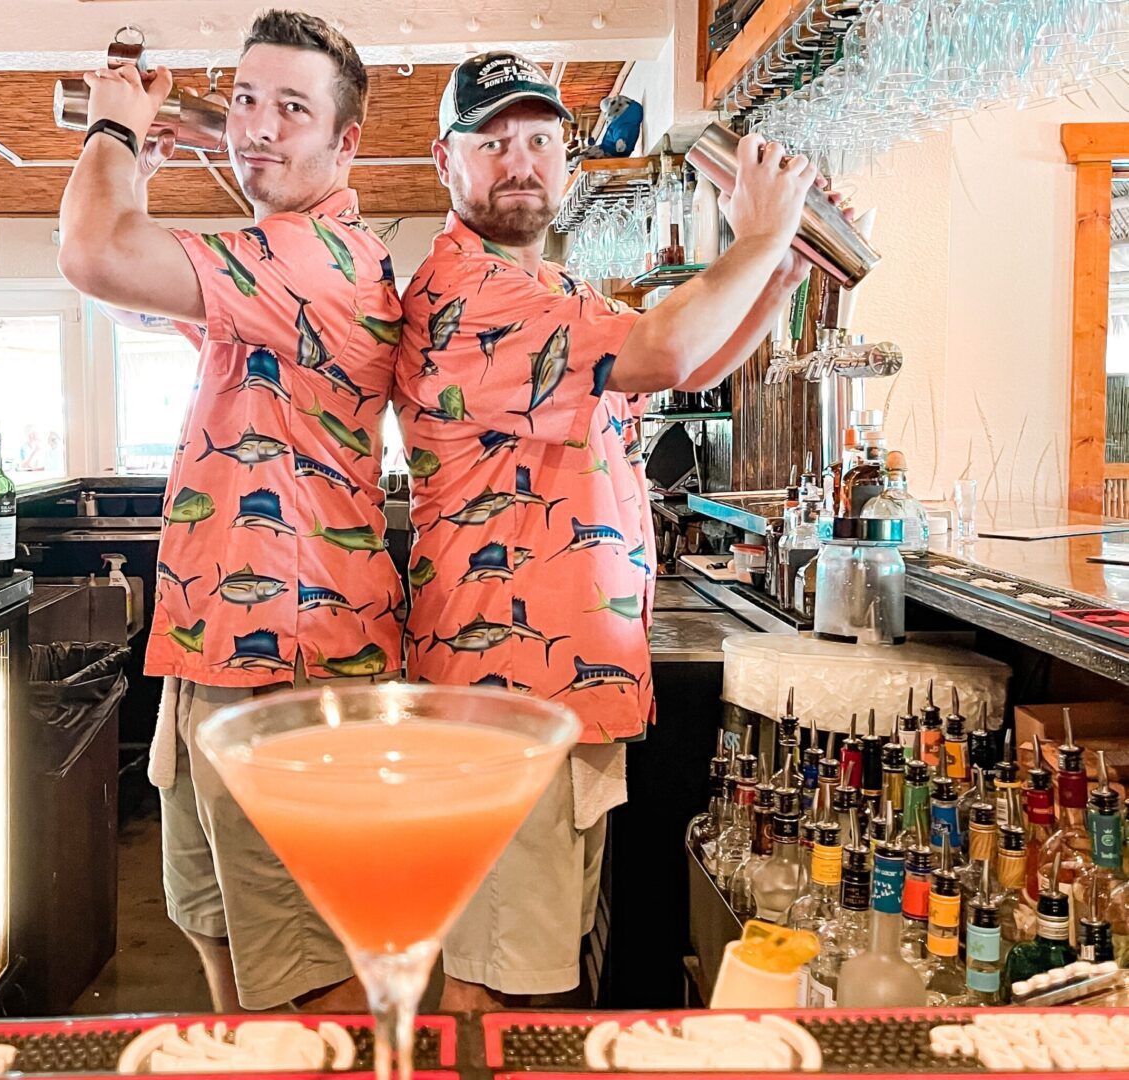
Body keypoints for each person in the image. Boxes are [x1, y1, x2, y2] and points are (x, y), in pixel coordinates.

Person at [396, 52, 835, 1009]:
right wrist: (756, 237)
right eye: (493, 140)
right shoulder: (468, 295)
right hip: (503, 700)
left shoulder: (558, 294)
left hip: (566, 685)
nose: (520, 160)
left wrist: (783, 261)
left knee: (531, 969)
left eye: (541, 139)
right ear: (445, 160)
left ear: (568, 160)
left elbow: (691, 357)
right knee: (506, 989)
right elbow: (670, 344)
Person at [58, 10, 403, 1013]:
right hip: (215, 649)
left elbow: (93, 255)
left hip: (286, 670)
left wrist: (115, 128)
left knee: (306, 979)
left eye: (291, 108)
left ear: (345, 144)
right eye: (246, 99)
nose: (256, 126)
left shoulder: (314, 258)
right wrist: (143, 166)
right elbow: (125, 288)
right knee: (219, 937)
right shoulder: (262, 271)